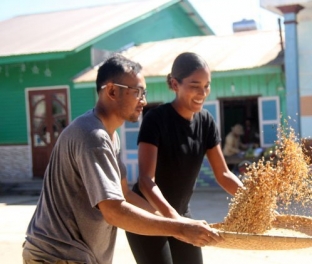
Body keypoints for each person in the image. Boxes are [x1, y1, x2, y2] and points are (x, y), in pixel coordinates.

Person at [22, 54, 222, 264]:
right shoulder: (93, 136)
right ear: (112, 91)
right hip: (57, 256)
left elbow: (125, 194)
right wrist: (180, 227)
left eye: (144, 93)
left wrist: (178, 221)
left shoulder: (109, 135)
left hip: (72, 255)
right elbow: (114, 211)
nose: (143, 101)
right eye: (137, 92)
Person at [125, 52, 244, 264]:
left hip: (181, 212)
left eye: (207, 85)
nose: (202, 92)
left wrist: (252, 199)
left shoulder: (206, 122)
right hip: (148, 215)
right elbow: (145, 181)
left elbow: (224, 174)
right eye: (195, 85)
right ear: (174, 84)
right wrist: (175, 221)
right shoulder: (156, 119)